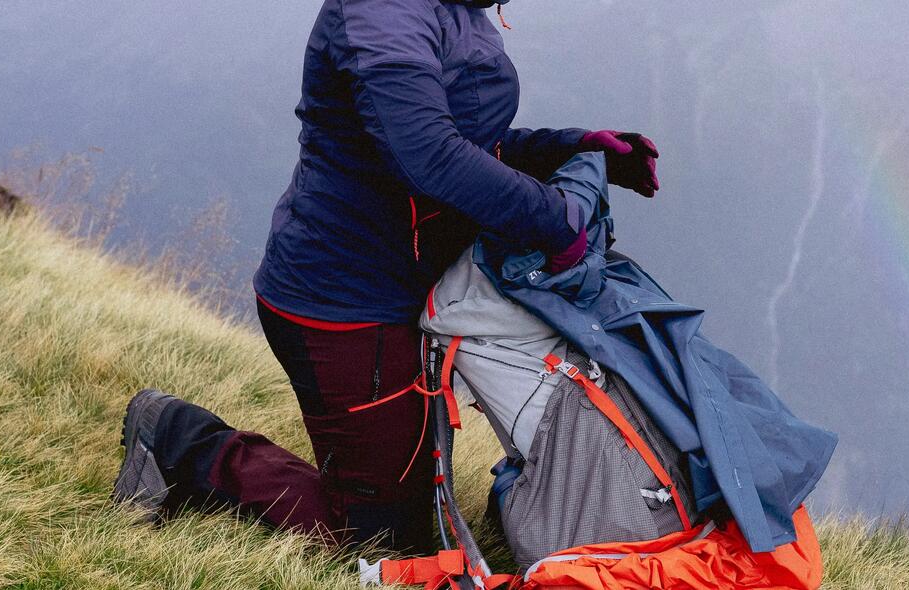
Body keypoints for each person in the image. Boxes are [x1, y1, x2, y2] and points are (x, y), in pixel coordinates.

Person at [110, 0, 660, 553]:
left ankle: (374, 490)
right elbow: (426, 151)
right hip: (341, 303)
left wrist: (570, 146)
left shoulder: (451, 10)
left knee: (414, 504)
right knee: (383, 542)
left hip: (400, 293)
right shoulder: (381, 11)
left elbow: (470, 138)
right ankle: (179, 440)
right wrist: (553, 223)